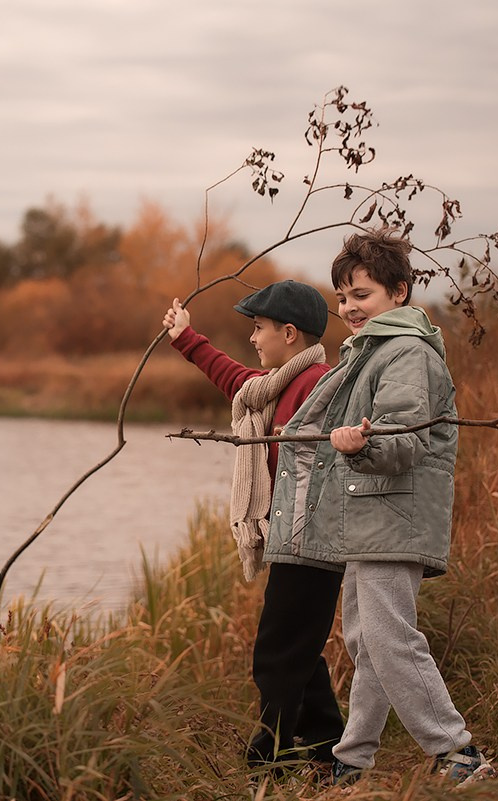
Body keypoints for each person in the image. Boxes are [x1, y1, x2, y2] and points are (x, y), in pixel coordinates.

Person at [269, 229, 495, 786]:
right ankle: (352, 758)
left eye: (361, 296)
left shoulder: (406, 353)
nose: (348, 308)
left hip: (393, 517)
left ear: (398, 292)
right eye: (342, 298)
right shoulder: (369, 352)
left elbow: (405, 440)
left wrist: (362, 443)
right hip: (367, 518)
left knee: (390, 637)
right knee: (364, 639)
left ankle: (457, 753)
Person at [161, 279, 345, 772]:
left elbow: (335, 453)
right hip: (294, 537)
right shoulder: (281, 383)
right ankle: (328, 748)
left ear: (289, 333)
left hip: (314, 539)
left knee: (276, 655)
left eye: (258, 328)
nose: (252, 338)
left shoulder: (321, 383)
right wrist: (186, 338)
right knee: (298, 650)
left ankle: (272, 758)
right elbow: (236, 381)